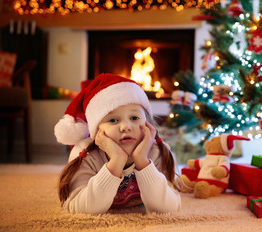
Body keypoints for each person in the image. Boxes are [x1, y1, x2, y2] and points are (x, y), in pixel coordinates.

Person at [54, 73, 181, 214]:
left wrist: (142, 161)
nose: (126, 126)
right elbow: (79, 209)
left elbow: (167, 209)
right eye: (113, 120)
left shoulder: (155, 152)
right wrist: (116, 161)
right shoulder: (85, 154)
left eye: (134, 117)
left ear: (147, 124)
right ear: (97, 131)